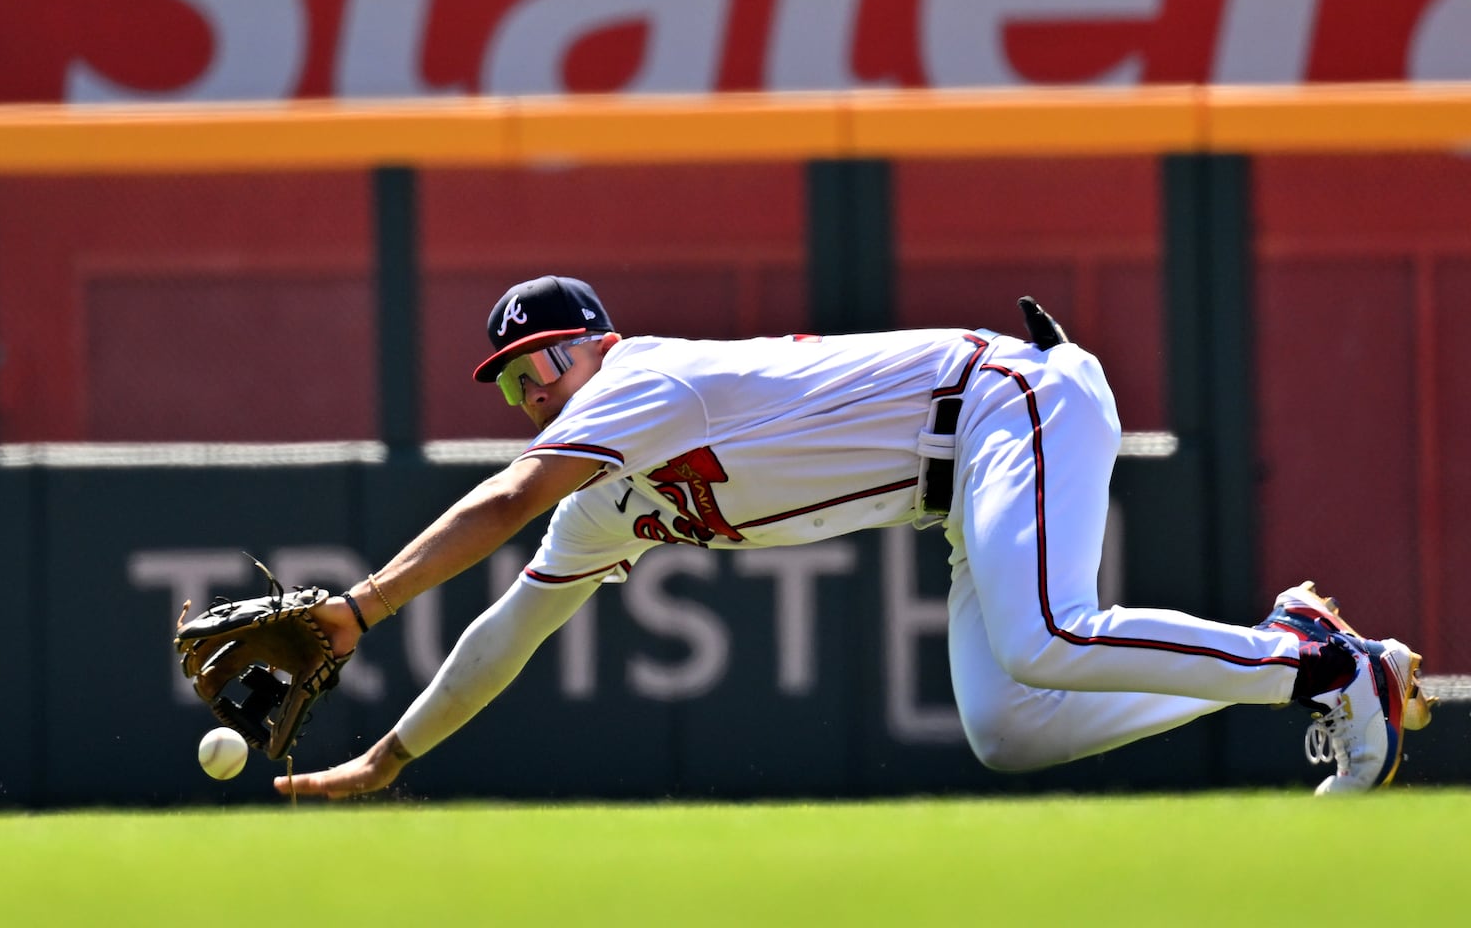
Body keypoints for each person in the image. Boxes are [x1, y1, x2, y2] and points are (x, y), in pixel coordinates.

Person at [275, 275, 1430, 800]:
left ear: (597, 343)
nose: (534, 388)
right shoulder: (608, 490)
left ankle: (1329, 671)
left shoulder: (639, 379)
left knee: (1041, 636)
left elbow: (497, 506)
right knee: (1013, 729)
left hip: (1004, 400)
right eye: (513, 380)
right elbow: (509, 626)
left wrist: (360, 607)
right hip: (954, 469)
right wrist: (390, 756)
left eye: (546, 360)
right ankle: (1293, 646)